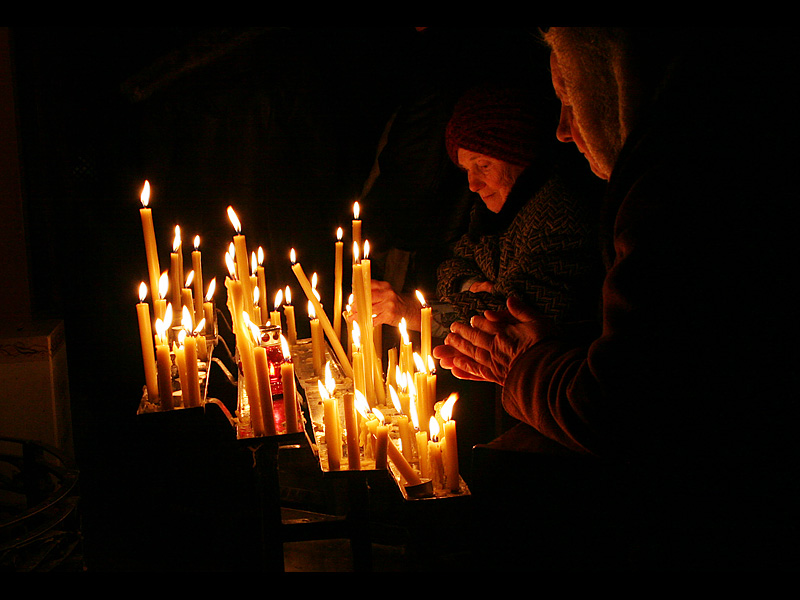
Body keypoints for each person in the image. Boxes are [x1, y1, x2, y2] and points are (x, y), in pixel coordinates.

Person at [434, 27, 800, 570]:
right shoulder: (667, 177)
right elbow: (453, 272)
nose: (561, 129)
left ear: (619, 76)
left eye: (569, 96)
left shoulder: (673, 192)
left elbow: (621, 403)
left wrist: (521, 361)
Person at [366, 82, 604, 342]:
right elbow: (450, 267)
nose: (473, 184)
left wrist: (410, 312)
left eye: (484, 165)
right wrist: (469, 285)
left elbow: (511, 321)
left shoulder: (558, 217)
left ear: (520, 156)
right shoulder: (493, 213)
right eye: (467, 169)